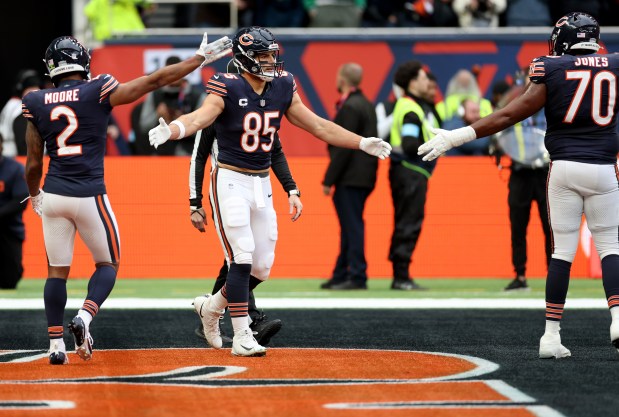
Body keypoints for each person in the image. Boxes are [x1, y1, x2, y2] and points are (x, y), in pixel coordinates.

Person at [148, 26, 391, 357]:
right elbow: (200, 119)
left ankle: (211, 308)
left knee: (262, 265)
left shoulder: (283, 85)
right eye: (263, 56)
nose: (270, 61)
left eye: (272, 54)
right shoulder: (227, 85)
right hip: (230, 179)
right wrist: (174, 129)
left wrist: (361, 142)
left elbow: (318, 125)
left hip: (261, 183)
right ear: (246, 58)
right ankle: (242, 335)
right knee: (242, 256)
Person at [418, 12, 619, 358]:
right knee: (611, 246)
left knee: (561, 252)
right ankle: (617, 318)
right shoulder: (614, 64)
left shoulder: (551, 67)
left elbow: (511, 113)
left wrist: (458, 136)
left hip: (563, 169)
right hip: (603, 168)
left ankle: (551, 337)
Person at [22, 33, 232, 365]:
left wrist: (35, 195)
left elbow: (33, 162)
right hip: (89, 193)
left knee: (56, 272)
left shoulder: (34, 101)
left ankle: (54, 346)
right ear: (82, 62)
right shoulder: (98, 89)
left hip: (55, 193)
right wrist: (198, 60)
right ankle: (84, 318)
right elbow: (155, 80)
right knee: (108, 264)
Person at [190, 61, 300, 344]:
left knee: (256, 261)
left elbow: (275, 151)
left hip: (256, 186)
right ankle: (247, 323)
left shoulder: (262, 111)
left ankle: (213, 308)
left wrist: (291, 188)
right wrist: (195, 201)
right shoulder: (220, 106)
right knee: (241, 256)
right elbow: (199, 156)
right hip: (227, 184)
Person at [320, 63, 378, 290]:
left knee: (351, 226)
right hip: (363, 176)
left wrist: (328, 179)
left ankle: (356, 275)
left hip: (350, 177)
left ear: (342, 79)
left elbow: (343, 146)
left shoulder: (351, 107)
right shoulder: (365, 104)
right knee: (349, 225)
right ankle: (341, 273)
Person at [494, 75, 551, 291]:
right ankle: (519, 276)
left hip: (544, 172)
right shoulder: (513, 104)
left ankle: (552, 276)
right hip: (519, 172)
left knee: (550, 228)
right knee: (518, 227)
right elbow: (499, 124)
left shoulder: (550, 102)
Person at [386, 61, 438, 291]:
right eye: (423, 77)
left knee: (405, 222)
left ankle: (401, 274)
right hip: (410, 172)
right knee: (408, 223)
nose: (428, 81)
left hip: (406, 173)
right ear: (413, 82)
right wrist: (432, 148)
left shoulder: (411, 104)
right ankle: (401, 277)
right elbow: (409, 144)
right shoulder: (410, 108)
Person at [134, 55, 205, 156]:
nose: (174, 76)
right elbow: (144, 126)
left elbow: (204, 129)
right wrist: (158, 115)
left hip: (187, 152)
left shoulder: (197, 96)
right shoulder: (155, 94)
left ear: (184, 72)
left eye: (177, 72)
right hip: (160, 152)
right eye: (170, 73)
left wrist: (182, 121)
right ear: (164, 74)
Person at [0, 133, 28, 289]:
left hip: (8, 230)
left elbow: (21, 200)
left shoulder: (14, 169)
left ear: (2, 145)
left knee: (9, 281)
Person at [0, 69, 42, 157]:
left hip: (6, 154)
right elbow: (24, 143)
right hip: (16, 157)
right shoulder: (22, 106)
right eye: (33, 88)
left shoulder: (10, 104)